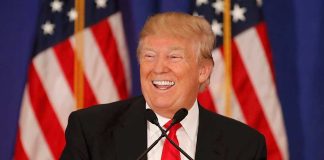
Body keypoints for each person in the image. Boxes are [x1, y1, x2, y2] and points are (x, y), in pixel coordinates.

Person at [60, 12, 266, 160]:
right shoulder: (91, 131)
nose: (158, 68)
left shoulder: (244, 145)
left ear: (203, 70)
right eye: (149, 56)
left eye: (174, 57)